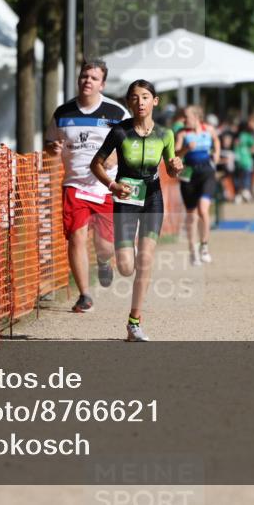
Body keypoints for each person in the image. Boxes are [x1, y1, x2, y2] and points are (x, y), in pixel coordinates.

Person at [90, 80, 183, 342]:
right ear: (129, 103)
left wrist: (176, 165)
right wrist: (112, 185)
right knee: (126, 267)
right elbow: (95, 164)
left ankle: (134, 322)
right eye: (134, 98)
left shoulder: (165, 134)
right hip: (125, 198)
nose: (139, 102)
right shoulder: (119, 132)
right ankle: (103, 256)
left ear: (155, 101)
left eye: (145, 97)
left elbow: (172, 170)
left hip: (153, 198)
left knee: (145, 260)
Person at [44, 60, 128, 313]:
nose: (87, 81)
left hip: (105, 186)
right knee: (76, 237)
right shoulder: (63, 113)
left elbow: (133, 145)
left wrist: (118, 156)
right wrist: (52, 148)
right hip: (74, 185)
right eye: (84, 76)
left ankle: (103, 261)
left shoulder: (117, 113)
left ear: (102, 84)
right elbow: (50, 143)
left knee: (104, 245)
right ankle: (84, 295)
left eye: (93, 78)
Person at [175, 105, 220, 266]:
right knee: (191, 214)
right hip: (188, 174)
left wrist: (217, 154)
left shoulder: (208, 129)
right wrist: (186, 149)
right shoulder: (182, 133)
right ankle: (192, 251)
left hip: (207, 172)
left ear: (196, 117)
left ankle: (204, 246)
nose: (183, 120)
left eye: (186, 117)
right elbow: (175, 155)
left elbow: (216, 140)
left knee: (203, 209)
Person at [233, 121, 254, 203]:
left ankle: (240, 194)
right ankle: (245, 192)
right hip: (246, 160)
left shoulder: (237, 136)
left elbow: (235, 147)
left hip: (238, 160)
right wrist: (250, 151)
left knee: (238, 178)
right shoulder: (248, 136)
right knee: (246, 177)